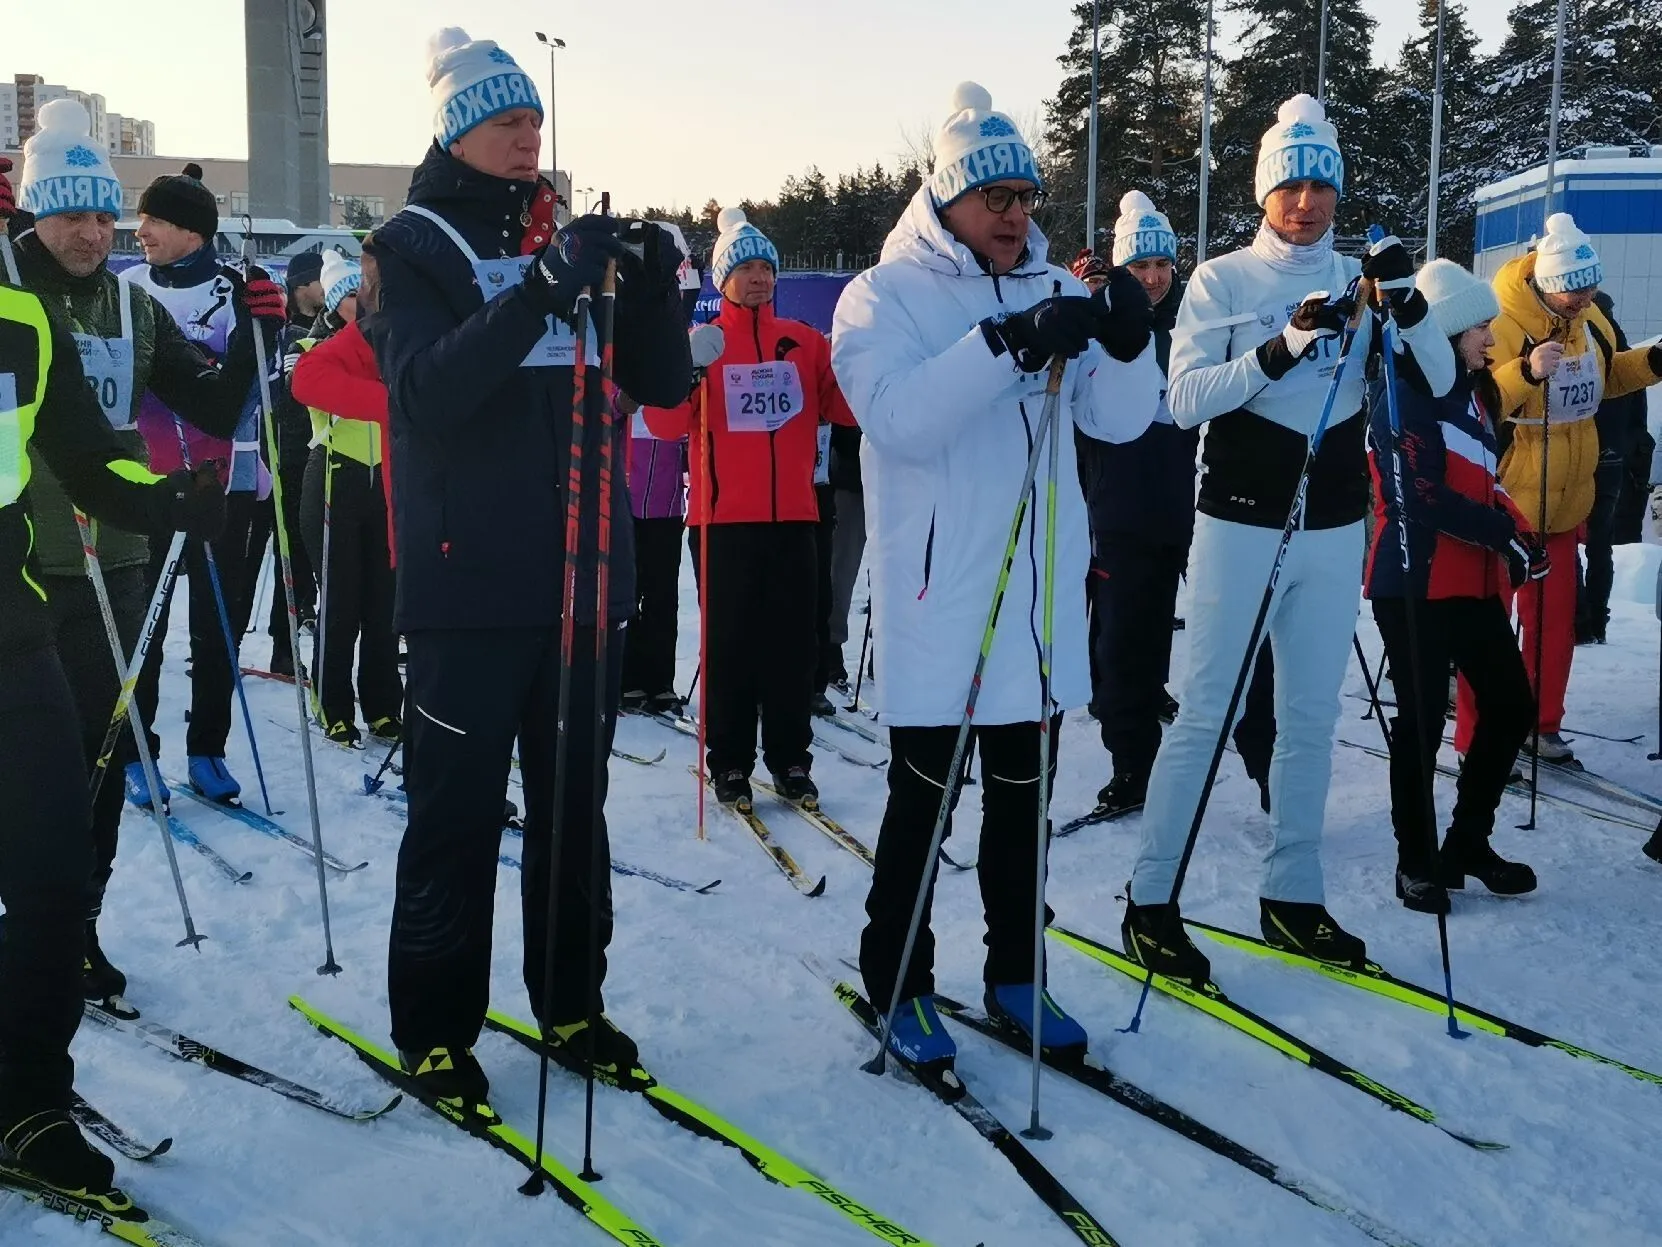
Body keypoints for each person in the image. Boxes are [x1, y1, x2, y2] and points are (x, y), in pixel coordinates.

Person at [366, 27, 691, 1103]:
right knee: (456, 815)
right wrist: (539, 292)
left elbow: (663, 388)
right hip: (469, 587)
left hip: (583, 577)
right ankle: (436, 1026)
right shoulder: (411, 246)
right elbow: (423, 394)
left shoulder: (560, 234)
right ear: (459, 130)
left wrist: (649, 289)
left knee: (571, 807)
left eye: (534, 120)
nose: (527, 136)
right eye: (507, 120)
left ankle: (569, 1000)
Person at [832, 82, 1162, 1068]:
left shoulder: (1048, 283)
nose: (1016, 215)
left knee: (1023, 801)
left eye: (1026, 196)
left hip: (1037, 598)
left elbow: (1119, 418)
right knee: (924, 803)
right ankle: (897, 973)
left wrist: (1127, 340)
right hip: (944, 599)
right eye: (996, 199)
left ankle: (1018, 970)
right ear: (948, 200)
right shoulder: (881, 295)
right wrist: (1006, 344)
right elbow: (897, 416)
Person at [1120, 94, 1455, 984]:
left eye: (1320, 184)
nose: (1305, 202)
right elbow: (1183, 400)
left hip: (1334, 525)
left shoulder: (1363, 275)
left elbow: (1445, 375)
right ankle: (1150, 900)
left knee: (1312, 717)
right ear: (1265, 190)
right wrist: (1285, 343)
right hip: (1237, 521)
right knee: (1207, 713)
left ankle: (1293, 896)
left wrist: (1408, 302)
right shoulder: (1223, 279)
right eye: (1290, 184)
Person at [7, 100, 273, 1011]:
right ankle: (34, 927)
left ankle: (76, 928)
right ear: (34, 209)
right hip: (28, 562)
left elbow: (208, 407)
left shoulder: (131, 298)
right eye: (72, 213)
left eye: (103, 215)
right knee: (39, 761)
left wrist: (255, 334)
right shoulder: (8, 287)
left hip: (119, 554)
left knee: (102, 753)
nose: (92, 232)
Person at [0, 265, 223, 1208]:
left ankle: (26, 1107)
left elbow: (86, 456)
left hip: (11, 626)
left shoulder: (21, 315)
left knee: (52, 874)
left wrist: (165, 499)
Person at [643, 208, 855, 810]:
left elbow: (845, 409)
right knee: (731, 647)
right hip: (722, 524)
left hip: (793, 519)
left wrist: (863, 357)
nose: (759, 277)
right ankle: (731, 763)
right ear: (722, 280)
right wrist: (685, 371)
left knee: (793, 647)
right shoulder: (704, 345)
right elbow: (661, 423)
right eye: (746, 268)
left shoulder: (806, 343)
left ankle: (791, 760)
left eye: (767, 266)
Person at [1364, 258, 1544, 913]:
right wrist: (1501, 534)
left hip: (1469, 580)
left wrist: (1518, 530)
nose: (1490, 343)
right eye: (1480, 331)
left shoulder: (1471, 393)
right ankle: (1415, 861)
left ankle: (1466, 841)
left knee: (1509, 706)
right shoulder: (1404, 392)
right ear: (1446, 332)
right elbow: (1422, 497)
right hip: (1413, 577)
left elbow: (1487, 483)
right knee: (1419, 724)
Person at [1455, 213, 1662, 765]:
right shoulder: (1497, 318)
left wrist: (1651, 362)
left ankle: (1541, 724)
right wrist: (1525, 370)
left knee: (1553, 628)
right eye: (1570, 287)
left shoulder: (1590, 318)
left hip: (1568, 498)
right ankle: (1478, 739)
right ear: (1544, 281)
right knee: (1490, 632)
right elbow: (1478, 401)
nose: (1581, 295)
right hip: (1507, 501)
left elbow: (1609, 376)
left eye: (1588, 284)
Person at [124, 162, 284, 805]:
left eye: (156, 219)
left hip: (224, 482)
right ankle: (139, 755)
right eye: (142, 217)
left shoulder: (235, 289)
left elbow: (252, 398)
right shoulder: (128, 287)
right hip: (146, 479)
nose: (142, 231)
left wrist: (264, 336)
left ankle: (207, 750)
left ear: (192, 230)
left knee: (217, 625)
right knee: (148, 625)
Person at [1078, 191, 1200, 820]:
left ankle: (1145, 706)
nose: (1153, 277)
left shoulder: (1190, 327)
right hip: (1116, 509)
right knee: (1121, 635)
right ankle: (1129, 762)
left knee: (1155, 628)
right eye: (1140, 267)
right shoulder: (1104, 325)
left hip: (1176, 507)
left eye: (1162, 265)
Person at [292, 252, 402, 746]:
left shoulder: (394, 346)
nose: (367, 303)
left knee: (384, 606)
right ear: (339, 303)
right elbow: (314, 389)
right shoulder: (313, 346)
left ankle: (382, 704)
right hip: (336, 478)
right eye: (356, 296)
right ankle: (332, 702)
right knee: (340, 605)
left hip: (387, 484)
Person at [265, 249, 326, 676]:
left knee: (315, 552)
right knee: (292, 552)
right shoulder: (289, 333)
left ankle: (306, 617)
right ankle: (282, 647)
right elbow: (289, 399)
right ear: (303, 285)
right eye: (321, 279)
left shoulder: (330, 327)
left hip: (324, 454)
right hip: (289, 457)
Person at [1575, 291, 1646, 645]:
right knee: (1600, 543)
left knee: (1566, 537)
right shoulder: (1625, 349)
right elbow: (1639, 418)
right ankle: (1598, 619)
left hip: (1581, 454)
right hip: (1614, 456)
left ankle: (1578, 617)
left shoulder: (1584, 343)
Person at [620, 389, 688, 715]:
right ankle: (627, 678)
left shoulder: (672, 367)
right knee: (627, 592)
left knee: (663, 595)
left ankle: (660, 681)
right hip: (622, 499)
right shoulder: (615, 363)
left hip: (667, 500)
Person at [825, 422, 867, 694]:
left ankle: (889, 652)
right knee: (841, 569)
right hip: (850, 477)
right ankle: (830, 647)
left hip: (901, 479)